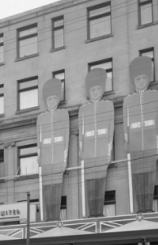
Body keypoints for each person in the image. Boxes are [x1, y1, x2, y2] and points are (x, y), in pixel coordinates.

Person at [123, 56, 158, 213]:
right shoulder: (128, 100)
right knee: (138, 179)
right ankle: (140, 208)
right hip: (135, 148)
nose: (140, 81)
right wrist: (128, 143)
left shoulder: (155, 96)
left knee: (149, 178)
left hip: (151, 145)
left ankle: (148, 208)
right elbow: (126, 124)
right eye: (137, 78)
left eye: (143, 77)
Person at [78, 68, 114, 217]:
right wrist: (82, 150)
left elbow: (110, 130)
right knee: (90, 185)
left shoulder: (108, 106)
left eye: (98, 88)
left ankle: (98, 212)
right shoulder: (83, 110)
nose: (95, 92)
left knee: (100, 182)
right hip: (88, 155)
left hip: (101, 152)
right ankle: (92, 213)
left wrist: (108, 152)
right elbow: (81, 133)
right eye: (92, 89)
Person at [36, 78, 70, 221]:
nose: (51, 101)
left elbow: (66, 138)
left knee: (56, 188)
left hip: (57, 157)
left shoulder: (63, 114)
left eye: (54, 98)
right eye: (49, 98)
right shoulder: (41, 118)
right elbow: (39, 140)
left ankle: (55, 217)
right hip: (45, 160)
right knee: (47, 190)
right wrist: (39, 157)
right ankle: (48, 217)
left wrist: (64, 159)